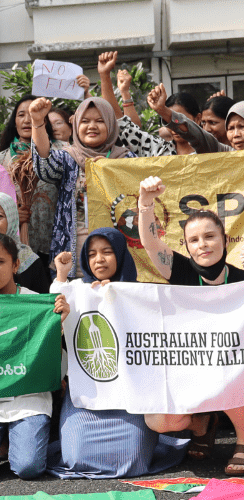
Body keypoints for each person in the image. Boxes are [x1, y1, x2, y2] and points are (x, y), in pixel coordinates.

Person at [47, 228, 189, 478]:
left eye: (107, 252)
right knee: (75, 456)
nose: (98, 259)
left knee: (132, 458)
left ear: (121, 255)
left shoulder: (138, 294)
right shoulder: (78, 293)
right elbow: (56, 330)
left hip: (130, 397)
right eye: (91, 254)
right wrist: (61, 281)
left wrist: (119, 300)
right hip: (87, 396)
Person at [138, 176, 244, 475]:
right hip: (190, 367)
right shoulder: (179, 269)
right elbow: (149, 241)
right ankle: (201, 422)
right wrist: (145, 202)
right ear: (186, 245)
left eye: (209, 237)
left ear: (224, 238)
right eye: (194, 240)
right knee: (159, 421)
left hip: (233, 368)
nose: (203, 245)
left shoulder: (241, 281)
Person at [0, 232, 68, 480]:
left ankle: (24, 442)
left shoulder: (36, 303)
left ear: (15, 264)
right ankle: (4, 442)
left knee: (28, 468)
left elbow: (53, 358)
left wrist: (59, 323)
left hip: (28, 399)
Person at [30, 96, 137, 279]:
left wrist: (112, 171)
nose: (91, 126)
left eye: (100, 121)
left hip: (116, 255)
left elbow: (137, 201)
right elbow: (44, 167)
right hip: (74, 254)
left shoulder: (127, 160)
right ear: (76, 125)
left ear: (111, 125)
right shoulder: (68, 158)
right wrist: (37, 122)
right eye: (85, 121)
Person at [0, 94, 68, 276]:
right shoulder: (0, 159)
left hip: (54, 236)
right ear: (14, 121)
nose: (27, 120)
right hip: (17, 238)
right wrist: (12, 214)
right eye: (21, 115)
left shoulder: (61, 150)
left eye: (31, 113)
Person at [98, 52, 201, 157]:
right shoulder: (159, 150)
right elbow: (122, 126)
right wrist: (105, 75)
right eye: (168, 121)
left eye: (180, 119)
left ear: (197, 119)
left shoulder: (210, 151)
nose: (175, 126)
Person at [147, 83, 243, 154]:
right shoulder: (221, 151)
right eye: (230, 128)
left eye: (242, 127)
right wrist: (163, 111)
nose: (236, 134)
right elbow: (193, 132)